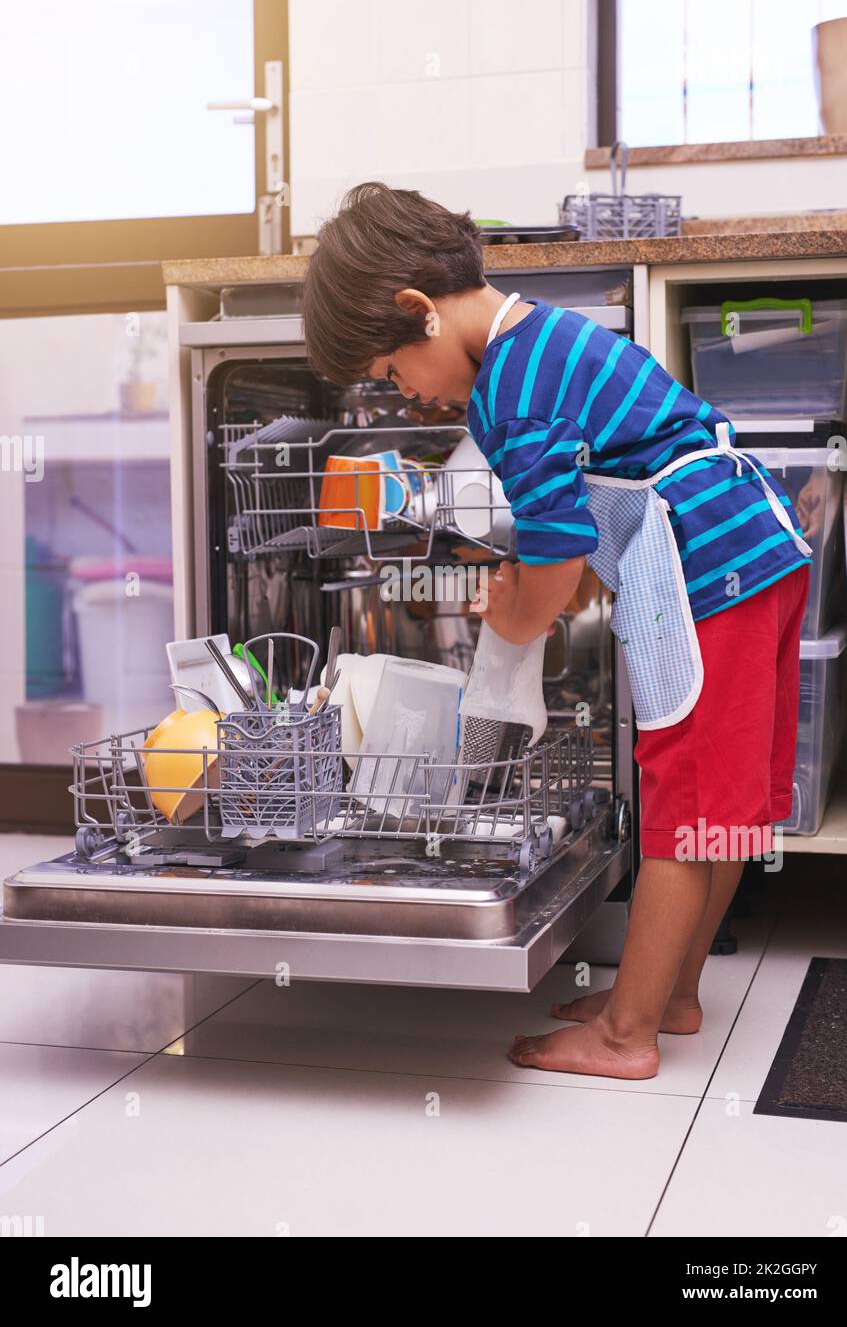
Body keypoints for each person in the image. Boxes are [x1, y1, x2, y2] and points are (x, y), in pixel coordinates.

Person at [303, 182, 812, 1080]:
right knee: (718, 811)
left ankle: (626, 1037)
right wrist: (543, 595)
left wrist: (514, 621)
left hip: (702, 569)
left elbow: (552, 551)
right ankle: (671, 994)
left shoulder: (510, 391)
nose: (409, 398)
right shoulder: (546, 338)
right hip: (758, 550)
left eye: (391, 375)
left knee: (678, 811)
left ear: (417, 313)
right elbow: (571, 539)